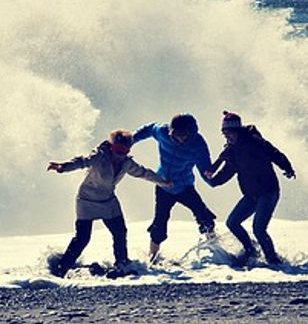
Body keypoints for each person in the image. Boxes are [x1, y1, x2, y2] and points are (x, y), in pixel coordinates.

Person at [47, 130, 171, 277]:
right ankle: (61, 269)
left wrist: (162, 182)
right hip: (87, 200)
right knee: (82, 238)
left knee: (120, 231)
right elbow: (82, 161)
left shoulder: (126, 162)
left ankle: (121, 264)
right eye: (119, 150)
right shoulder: (99, 156)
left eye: (125, 151)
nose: (121, 154)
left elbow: (142, 172)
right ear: (112, 146)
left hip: (108, 200)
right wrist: (62, 167)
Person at [206, 110, 296, 267]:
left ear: (237, 131)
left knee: (258, 229)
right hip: (251, 195)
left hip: (268, 192)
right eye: (225, 134)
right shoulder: (232, 151)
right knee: (232, 222)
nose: (227, 137)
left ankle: (273, 260)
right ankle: (251, 250)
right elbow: (227, 171)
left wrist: (287, 167)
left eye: (229, 133)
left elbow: (274, 153)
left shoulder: (255, 142)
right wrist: (213, 181)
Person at [132, 113, 217, 262]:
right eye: (175, 135)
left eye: (183, 136)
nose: (179, 139)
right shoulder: (162, 132)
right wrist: (130, 141)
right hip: (163, 186)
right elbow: (149, 129)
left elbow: (205, 168)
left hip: (185, 187)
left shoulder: (198, 144)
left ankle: (216, 248)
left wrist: (212, 180)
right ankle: (152, 257)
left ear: (191, 133)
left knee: (204, 216)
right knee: (159, 222)